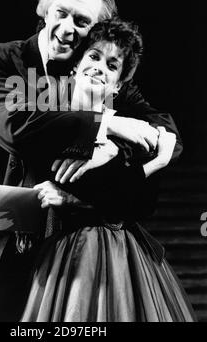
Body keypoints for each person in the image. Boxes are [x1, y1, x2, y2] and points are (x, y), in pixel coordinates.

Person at [0, 0, 183, 321]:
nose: (68, 29)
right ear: (45, 9)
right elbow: (16, 128)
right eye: (62, 13)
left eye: (82, 21)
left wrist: (117, 151)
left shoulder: (91, 70)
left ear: (95, 32)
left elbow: (163, 132)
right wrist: (107, 125)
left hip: (60, 246)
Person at [20, 18, 195, 322]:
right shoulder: (48, 117)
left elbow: (140, 204)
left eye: (112, 66)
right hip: (61, 253)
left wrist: (153, 162)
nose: (101, 67)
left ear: (118, 84)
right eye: (94, 56)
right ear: (75, 65)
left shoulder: (133, 131)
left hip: (120, 254)